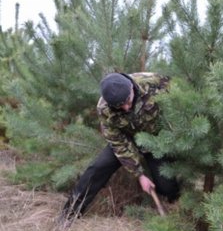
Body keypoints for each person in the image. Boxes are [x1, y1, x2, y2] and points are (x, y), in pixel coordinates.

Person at [60, 72, 180, 222]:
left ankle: (175, 206)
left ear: (131, 87)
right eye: (119, 106)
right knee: (97, 168)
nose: (126, 107)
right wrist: (140, 175)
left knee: (166, 186)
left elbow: (180, 101)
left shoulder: (154, 82)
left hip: (155, 140)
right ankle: (69, 215)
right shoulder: (104, 108)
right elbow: (117, 142)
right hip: (127, 139)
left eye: (128, 101)